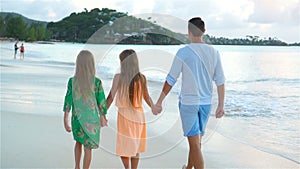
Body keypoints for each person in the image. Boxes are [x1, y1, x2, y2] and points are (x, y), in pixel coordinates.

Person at [153, 17, 226, 169]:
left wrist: (159, 101)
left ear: (188, 31)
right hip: (206, 104)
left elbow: (171, 79)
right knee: (196, 142)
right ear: (204, 31)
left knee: (194, 143)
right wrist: (221, 105)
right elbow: (220, 81)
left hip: (189, 104)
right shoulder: (214, 52)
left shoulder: (184, 52)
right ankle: (188, 168)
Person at [106, 49, 154, 169]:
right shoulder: (141, 78)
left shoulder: (119, 77)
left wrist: (102, 112)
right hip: (139, 115)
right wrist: (153, 107)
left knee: (124, 146)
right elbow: (147, 97)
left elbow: (110, 97)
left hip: (124, 116)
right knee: (135, 146)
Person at [63, 50, 108, 169]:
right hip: (92, 119)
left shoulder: (73, 81)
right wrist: (103, 117)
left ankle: (77, 166)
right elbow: (101, 101)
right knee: (88, 148)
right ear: (91, 64)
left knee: (78, 142)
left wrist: (65, 119)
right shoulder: (96, 82)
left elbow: (68, 100)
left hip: (77, 118)